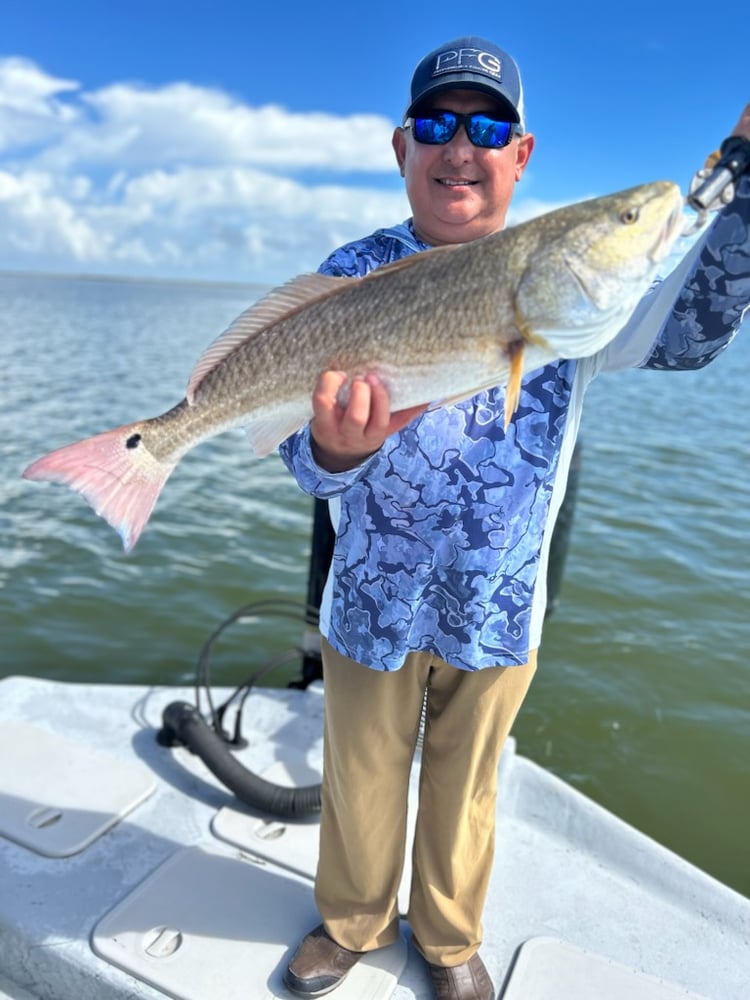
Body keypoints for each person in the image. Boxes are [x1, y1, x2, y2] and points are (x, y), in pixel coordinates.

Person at [279, 35, 750, 1000]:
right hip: (369, 595)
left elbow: (691, 324)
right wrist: (334, 452)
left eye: (486, 126)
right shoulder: (352, 271)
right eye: (439, 125)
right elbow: (298, 452)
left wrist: (739, 182)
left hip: (497, 604)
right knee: (360, 780)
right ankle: (352, 923)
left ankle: (447, 943)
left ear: (520, 154)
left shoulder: (573, 279)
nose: (462, 146)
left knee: (466, 788)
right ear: (402, 146)